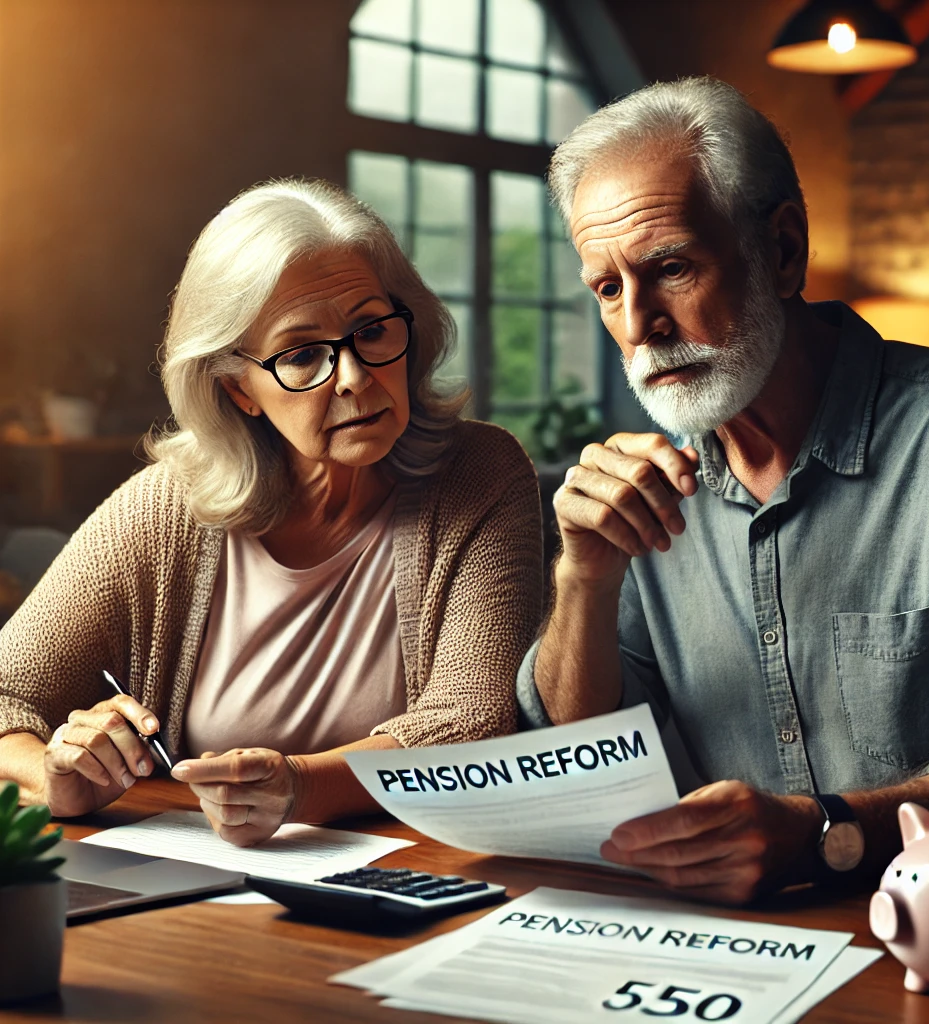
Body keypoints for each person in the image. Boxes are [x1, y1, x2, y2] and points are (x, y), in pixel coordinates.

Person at [517, 77, 929, 905]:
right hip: (719, 944)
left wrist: (822, 834)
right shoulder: (641, 490)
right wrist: (583, 577)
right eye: (608, 288)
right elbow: (584, 764)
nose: (640, 323)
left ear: (783, 250)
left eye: (670, 267)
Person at [0, 178, 543, 846]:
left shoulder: (481, 472)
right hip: (197, 896)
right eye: (304, 354)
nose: (353, 376)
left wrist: (301, 785)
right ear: (239, 390)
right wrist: (52, 776)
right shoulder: (169, 508)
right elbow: (5, 692)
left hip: (423, 882)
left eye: (371, 330)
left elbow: (475, 721)